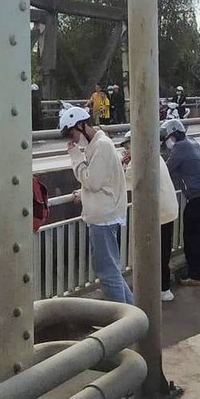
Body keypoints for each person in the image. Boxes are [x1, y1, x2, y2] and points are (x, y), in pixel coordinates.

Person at [59, 104, 132, 304]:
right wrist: (82, 192)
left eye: (72, 133)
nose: (73, 139)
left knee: (108, 275)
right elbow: (101, 181)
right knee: (112, 271)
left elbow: (92, 181)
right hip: (106, 214)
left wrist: (75, 158)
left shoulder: (101, 146)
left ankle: (123, 323)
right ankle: (133, 316)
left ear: (81, 126)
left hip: (104, 218)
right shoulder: (98, 144)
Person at [120, 130, 179, 302]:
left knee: (152, 254)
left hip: (156, 212)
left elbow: (126, 184)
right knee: (164, 252)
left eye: (128, 146)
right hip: (169, 208)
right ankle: (164, 289)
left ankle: (155, 291)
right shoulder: (155, 155)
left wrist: (124, 165)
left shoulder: (137, 161)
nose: (127, 150)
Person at [162, 118, 200, 285]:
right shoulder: (192, 142)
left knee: (192, 235)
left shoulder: (179, 148)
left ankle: (196, 275)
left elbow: (165, 170)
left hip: (197, 197)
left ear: (171, 136)